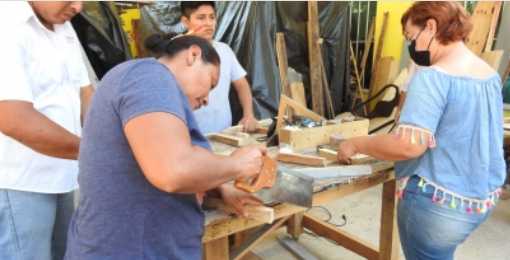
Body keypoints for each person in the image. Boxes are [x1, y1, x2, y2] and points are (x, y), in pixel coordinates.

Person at [65, 33, 265, 259]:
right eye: (212, 82)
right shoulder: (150, 77)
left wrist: (218, 187)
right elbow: (173, 171)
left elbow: (141, 161)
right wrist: (237, 164)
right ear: (193, 55)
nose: (208, 98)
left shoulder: (148, 86)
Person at [337, 2, 505, 259]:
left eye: (410, 37)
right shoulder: (488, 74)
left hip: (437, 206)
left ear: (430, 26)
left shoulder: (433, 76)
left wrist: (357, 143)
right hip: (478, 201)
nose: (411, 46)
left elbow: (409, 145)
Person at [0, 2, 94, 260]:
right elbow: (13, 118)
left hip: (63, 176)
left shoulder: (63, 24)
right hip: (19, 182)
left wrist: (111, 138)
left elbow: (85, 94)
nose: (78, 7)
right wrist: (95, 152)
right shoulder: (6, 24)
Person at [180, 1, 259, 134]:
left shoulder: (224, 50)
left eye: (212, 17)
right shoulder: (175, 50)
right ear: (186, 21)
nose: (208, 23)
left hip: (223, 133)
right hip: (188, 136)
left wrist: (248, 115)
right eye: (201, 18)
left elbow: (242, 84)